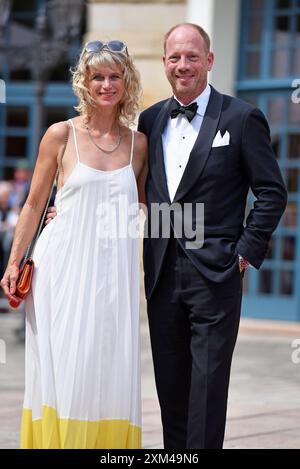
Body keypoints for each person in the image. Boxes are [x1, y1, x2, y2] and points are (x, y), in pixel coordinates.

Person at [137, 23, 287, 449]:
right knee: (171, 387)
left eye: (191, 56)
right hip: (163, 273)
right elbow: (133, 190)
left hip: (217, 273)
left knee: (207, 386)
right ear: (165, 62)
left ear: (210, 60)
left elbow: (273, 192)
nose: (183, 65)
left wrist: (242, 254)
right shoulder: (149, 120)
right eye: (174, 57)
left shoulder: (241, 117)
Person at [1, 40, 148, 449]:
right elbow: (33, 204)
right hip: (61, 270)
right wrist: (14, 263)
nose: (106, 84)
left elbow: (140, 212)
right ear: (84, 82)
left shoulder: (139, 145)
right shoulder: (60, 134)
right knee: (65, 365)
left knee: (107, 365)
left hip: (114, 275)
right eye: (97, 77)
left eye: (114, 76)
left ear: (126, 81)